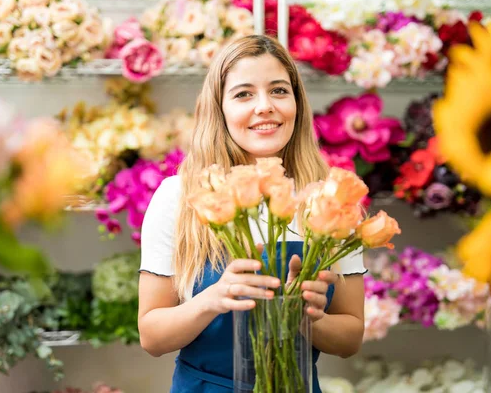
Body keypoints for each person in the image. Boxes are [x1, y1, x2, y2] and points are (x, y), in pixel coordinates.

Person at [138, 35, 366, 393]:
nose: (264, 106)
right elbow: (152, 336)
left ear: (296, 103)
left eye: (278, 91)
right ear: (220, 108)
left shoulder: (330, 200)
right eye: (244, 94)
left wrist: (308, 319)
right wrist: (212, 300)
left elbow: (351, 337)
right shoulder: (180, 198)